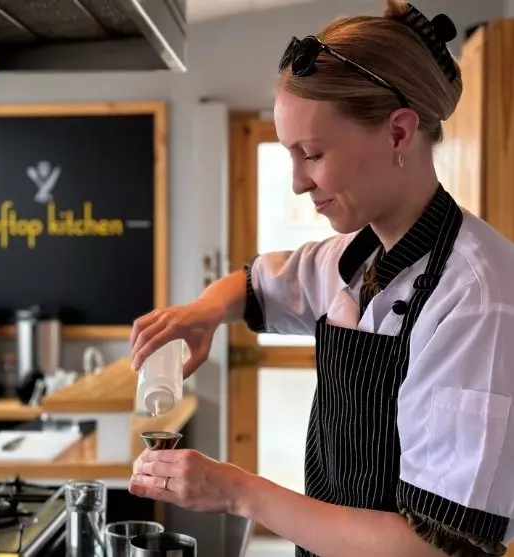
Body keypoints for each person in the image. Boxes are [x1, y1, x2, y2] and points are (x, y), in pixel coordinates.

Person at [127, 1, 514, 556]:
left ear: (398, 133)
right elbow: (256, 284)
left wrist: (237, 491)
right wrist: (203, 313)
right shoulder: (359, 256)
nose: (297, 182)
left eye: (311, 153)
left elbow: (430, 546)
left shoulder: (475, 296)